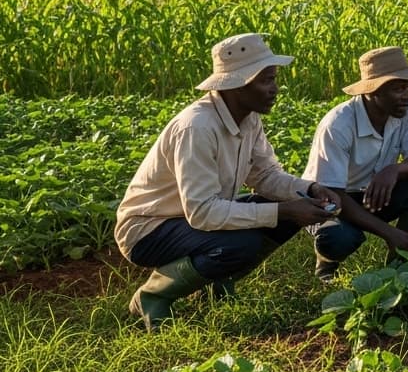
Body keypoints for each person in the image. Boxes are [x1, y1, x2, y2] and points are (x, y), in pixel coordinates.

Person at [114, 33, 340, 330]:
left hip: (192, 219)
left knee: (282, 215)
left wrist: (307, 190)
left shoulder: (248, 119)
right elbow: (203, 212)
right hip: (149, 228)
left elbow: (264, 175)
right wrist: (284, 211)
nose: (275, 89)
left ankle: (219, 283)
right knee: (244, 242)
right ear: (236, 83)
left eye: (273, 79)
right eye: (266, 80)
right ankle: (153, 296)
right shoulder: (197, 127)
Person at [303, 47, 408, 281]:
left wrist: (394, 170)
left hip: (375, 192)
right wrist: (389, 232)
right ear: (372, 91)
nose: (407, 95)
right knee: (338, 238)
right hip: (331, 200)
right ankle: (326, 264)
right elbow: (332, 192)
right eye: (398, 88)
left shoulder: (405, 110)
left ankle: (401, 266)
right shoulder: (338, 125)